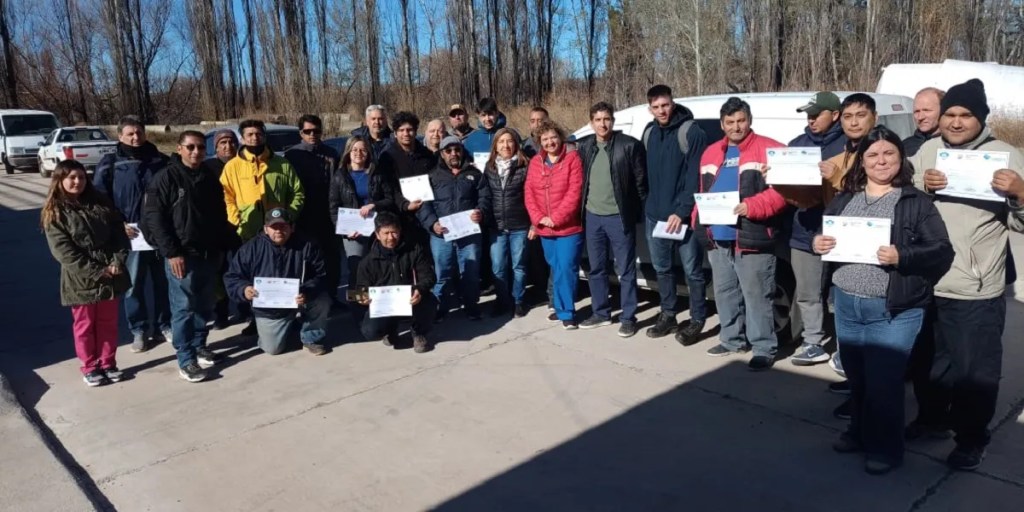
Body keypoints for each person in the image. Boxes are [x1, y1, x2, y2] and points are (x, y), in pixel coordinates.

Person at [814, 125, 954, 475]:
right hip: (847, 303)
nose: (881, 160)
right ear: (862, 161)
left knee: (884, 384)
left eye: (888, 153)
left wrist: (901, 256)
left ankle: (887, 449)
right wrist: (821, 243)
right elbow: (828, 233)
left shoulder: (915, 202)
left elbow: (941, 251)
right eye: (872, 154)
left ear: (900, 158)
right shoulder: (846, 197)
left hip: (893, 310)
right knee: (859, 379)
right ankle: (859, 433)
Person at [910, 78, 1024, 471]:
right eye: (951, 115)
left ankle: (972, 439)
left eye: (966, 115)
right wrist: (920, 183)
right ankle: (932, 420)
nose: (956, 123)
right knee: (929, 364)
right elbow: (904, 193)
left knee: (974, 372)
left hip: (975, 288)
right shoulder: (928, 150)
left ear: (982, 119)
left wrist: (1020, 195)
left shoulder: (1007, 156)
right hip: (927, 282)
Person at [696, 97, 787, 371]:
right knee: (724, 292)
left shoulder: (770, 148)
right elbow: (704, 190)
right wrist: (698, 222)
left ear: (749, 120)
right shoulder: (711, 152)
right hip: (719, 236)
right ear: (722, 125)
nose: (736, 127)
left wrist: (751, 207)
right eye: (730, 122)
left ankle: (763, 347)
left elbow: (784, 192)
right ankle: (731, 340)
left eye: (741, 121)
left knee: (757, 294)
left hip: (752, 234)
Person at [143, 131, 240, 383]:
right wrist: (172, 252)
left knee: (204, 304)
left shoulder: (208, 176)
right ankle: (186, 359)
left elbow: (220, 215)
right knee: (183, 308)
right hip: (181, 256)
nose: (195, 152)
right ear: (179, 149)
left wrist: (225, 243)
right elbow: (155, 219)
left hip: (209, 253)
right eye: (190, 147)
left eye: (199, 147)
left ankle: (199, 345)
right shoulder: (166, 177)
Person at [42, 160, 131, 387]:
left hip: (111, 275)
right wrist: (96, 271)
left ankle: (108, 362)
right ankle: (90, 366)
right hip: (81, 279)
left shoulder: (100, 203)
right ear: (60, 180)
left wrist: (116, 261)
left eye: (81, 177)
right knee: (85, 326)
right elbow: (64, 252)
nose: (77, 182)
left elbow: (118, 234)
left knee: (108, 323)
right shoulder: (55, 212)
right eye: (71, 177)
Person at [779, 91, 846, 366]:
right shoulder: (797, 144)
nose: (811, 119)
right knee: (807, 292)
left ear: (836, 115)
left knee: (844, 294)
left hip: (842, 230)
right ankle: (813, 342)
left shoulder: (849, 145)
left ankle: (846, 349)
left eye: (817, 114)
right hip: (804, 229)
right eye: (808, 115)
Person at [93, 116, 171, 353]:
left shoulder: (161, 161)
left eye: (139, 132)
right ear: (120, 136)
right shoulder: (110, 163)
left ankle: (164, 325)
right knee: (133, 285)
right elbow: (99, 200)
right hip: (130, 234)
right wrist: (118, 223)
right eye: (130, 134)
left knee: (164, 282)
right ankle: (139, 330)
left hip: (158, 233)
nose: (136, 137)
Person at [641, 85, 709, 341]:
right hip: (655, 215)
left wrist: (682, 211)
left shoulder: (690, 131)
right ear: (650, 108)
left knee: (692, 271)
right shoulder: (649, 132)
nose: (662, 111)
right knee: (662, 269)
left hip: (682, 217)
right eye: (656, 107)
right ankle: (668, 316)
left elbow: (696, 175)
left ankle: (697, 319)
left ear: (673, 102)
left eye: (665, 105)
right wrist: (646, 204)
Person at [575, 102, 647, 338]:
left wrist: (636, 212)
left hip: (619, 217)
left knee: (625, 269)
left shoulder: (629, 146)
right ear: (591, 122)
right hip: (593, 216)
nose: (602, 124)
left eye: (606, 119)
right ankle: (601, 313)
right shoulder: (584, 147)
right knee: (596, 268)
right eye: (598, 119)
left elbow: (640, 183)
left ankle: (628, 317)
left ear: (613, 121)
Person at [224, 207, 331, 357]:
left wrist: (306, 290)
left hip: (300, 298)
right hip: (269, 308)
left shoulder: (307, 245)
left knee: (322, 299)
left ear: (292, 227)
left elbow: (321, 275)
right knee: (273, 349)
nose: (278, 231)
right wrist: (244, 289)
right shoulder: (251, 249)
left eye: (283, 226)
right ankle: (283, 327)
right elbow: (232, 276)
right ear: (265, 229)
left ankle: (311, 338)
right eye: (274, 227)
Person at [417, 136, 491, 320]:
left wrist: (480, 212)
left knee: (471, 273)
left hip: (469, 233)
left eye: (456, 150)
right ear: (442, 154)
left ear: (461, 150)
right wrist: (432, 223)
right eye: (448, 151)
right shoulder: (433, 176)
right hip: (441, 235)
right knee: (442, 273)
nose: (453, 154)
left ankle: (471, 306)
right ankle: (440, 308)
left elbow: (485, 197)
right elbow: (424, 205)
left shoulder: (474, 174)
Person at [328, 136, 402, 304]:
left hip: (376, 228)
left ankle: (383, 304)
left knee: (381, 266)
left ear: (368, 153)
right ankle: (358, 305)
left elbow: (389, 199)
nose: (358, 153)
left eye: (363, 150)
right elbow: (333, 207)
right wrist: (344, 230)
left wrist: (374, 205)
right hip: (353, 232)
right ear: (348, 152)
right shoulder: (340, 176)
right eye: (354, 149)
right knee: (357, 269)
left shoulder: (377, 174)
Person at [525, 121, 584, 329]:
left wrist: (556, 218)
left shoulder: (572, 159)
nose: (550, 142)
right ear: (540, 142)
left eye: (553, 137)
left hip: (568, 227)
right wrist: (538, 218)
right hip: (544, 228)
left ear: (560, 137)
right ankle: (559, 307)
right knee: (556, 267)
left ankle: (567, 312)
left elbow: (574, 192)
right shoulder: (535, 162)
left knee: (566, 267)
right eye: (545, 139)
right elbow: (529, 193)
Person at [356, 212, 437, 353]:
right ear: (377, 234)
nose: (391, 237)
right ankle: (390, 331)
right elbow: (358, 288)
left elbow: (429, 276)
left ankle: (418, 333)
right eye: (386, 233)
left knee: (430, 302)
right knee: (370, 332)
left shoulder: (414, 250)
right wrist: (361, 297)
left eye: (394, 232)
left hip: (411, 300)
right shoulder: (367, 262)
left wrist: (419, 289)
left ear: (400, 231)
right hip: (384, 306)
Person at [285, 114, 341, 303]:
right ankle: (308, 298)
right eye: (307, 131)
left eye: (316, 131)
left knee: (332, 258)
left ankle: (332, 296)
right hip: (304, 215)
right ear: (301, 133)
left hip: (329, 214)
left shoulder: (331, 153)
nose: (312, 134)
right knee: (307, 260)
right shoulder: (293, 155)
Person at [220, 119, 305, 242]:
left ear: (264, 137)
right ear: (242, 139)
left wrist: (289, 215)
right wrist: (236, 219)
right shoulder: (232, 166)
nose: (255, 138)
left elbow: (298, 193)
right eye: (250, 134)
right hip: (247, 230)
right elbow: (227, 196)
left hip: (277, 230)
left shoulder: (282, 164)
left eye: (258, 134)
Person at [483, 127, 532, 318]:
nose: (506, 145)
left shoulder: (524, 166)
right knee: (498, 266)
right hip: (496, 225)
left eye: (509, 141)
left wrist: (533, 223)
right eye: (501, 142)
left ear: (516, 144)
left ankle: (518, 300)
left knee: (518, 265)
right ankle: (502, 300)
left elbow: (531, 196)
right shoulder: (489, 167)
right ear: (495, 145)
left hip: (519, 224)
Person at [205, 128, 239, 328]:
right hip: (216, 229)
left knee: (240, 270)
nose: (228, 146)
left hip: (239, 228)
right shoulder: (207, 167)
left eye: (231, 142)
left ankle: (245, 309)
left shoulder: (242, 165)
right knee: (217, 274)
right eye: (222, 143)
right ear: (216, 147)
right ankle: (221, 312)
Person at [464, 97, 517, 170]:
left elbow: (520, 159)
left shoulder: (510, 135)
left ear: (497, 113)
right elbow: (465, 164)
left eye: (490, 114)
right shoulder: (471, 139)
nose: (487, 119)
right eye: (483, 115)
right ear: (478, 116)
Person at [903, 88, 945, 157]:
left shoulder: (955, 145)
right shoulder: (904, 147)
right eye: (916, 111)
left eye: (926, 110)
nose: (920, 117)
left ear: (943, 110)